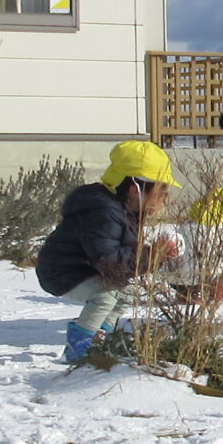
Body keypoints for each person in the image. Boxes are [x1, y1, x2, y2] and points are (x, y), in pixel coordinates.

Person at [35, 139, 175, 366]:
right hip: (62, 271)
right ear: (134, 190)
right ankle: (79, 348)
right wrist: (151, 255)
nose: (163, 200)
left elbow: (120, 257)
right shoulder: (103, 212)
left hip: (86, 268)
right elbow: (111, 262)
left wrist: (153, 254)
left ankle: (100, 337)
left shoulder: (125, 209)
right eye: (160, 192)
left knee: (128, 293)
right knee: (105, 296)